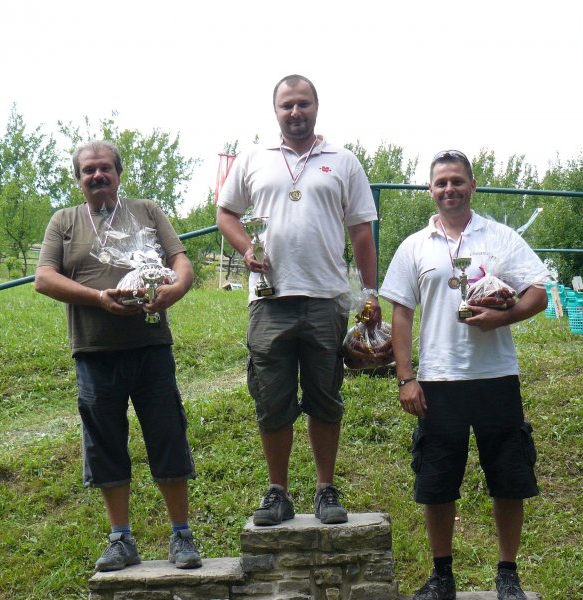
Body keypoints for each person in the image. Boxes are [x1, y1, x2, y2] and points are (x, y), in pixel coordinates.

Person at [379, 149, 550, 600]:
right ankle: (442, 577)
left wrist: (502, 318)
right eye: (441, 183)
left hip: (496, 376)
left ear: (473, 185)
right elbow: (401, 314)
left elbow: (538, 293)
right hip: (438, 381)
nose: (449, 189)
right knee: (437, 481)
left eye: (457, 181)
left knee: (508, 477)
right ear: (430, 190)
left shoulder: (500, 237)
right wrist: (406, 378)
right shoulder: (415, 246)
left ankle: (508, 575)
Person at [216, 74, 380, 526]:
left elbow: (361, 230)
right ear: (275, 110)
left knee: (325, 396)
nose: (295, 112)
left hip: (327, 299)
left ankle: (326, 489)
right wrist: (246, 248)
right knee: (272, 399)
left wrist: (370, 293)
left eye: (303, 103)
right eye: (287, 105)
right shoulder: (253, 158)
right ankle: (278, 492)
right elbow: (226, 213)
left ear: (316, 107)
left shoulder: (343, 161)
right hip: (269, 301)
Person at [35, 140, 202, 572]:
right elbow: (44, 278)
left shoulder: (147, 211)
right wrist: (97, 298)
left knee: (167, 434)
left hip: (151, 347)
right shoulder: (64, 221)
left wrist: (176, 289)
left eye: (105, 168)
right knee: (105, 443)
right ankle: (120, 538)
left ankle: (182, 534)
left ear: (118, 173)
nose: (97, 175)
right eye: (88, 170)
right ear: (78, 178)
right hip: (94, 351)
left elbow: (181, 261)